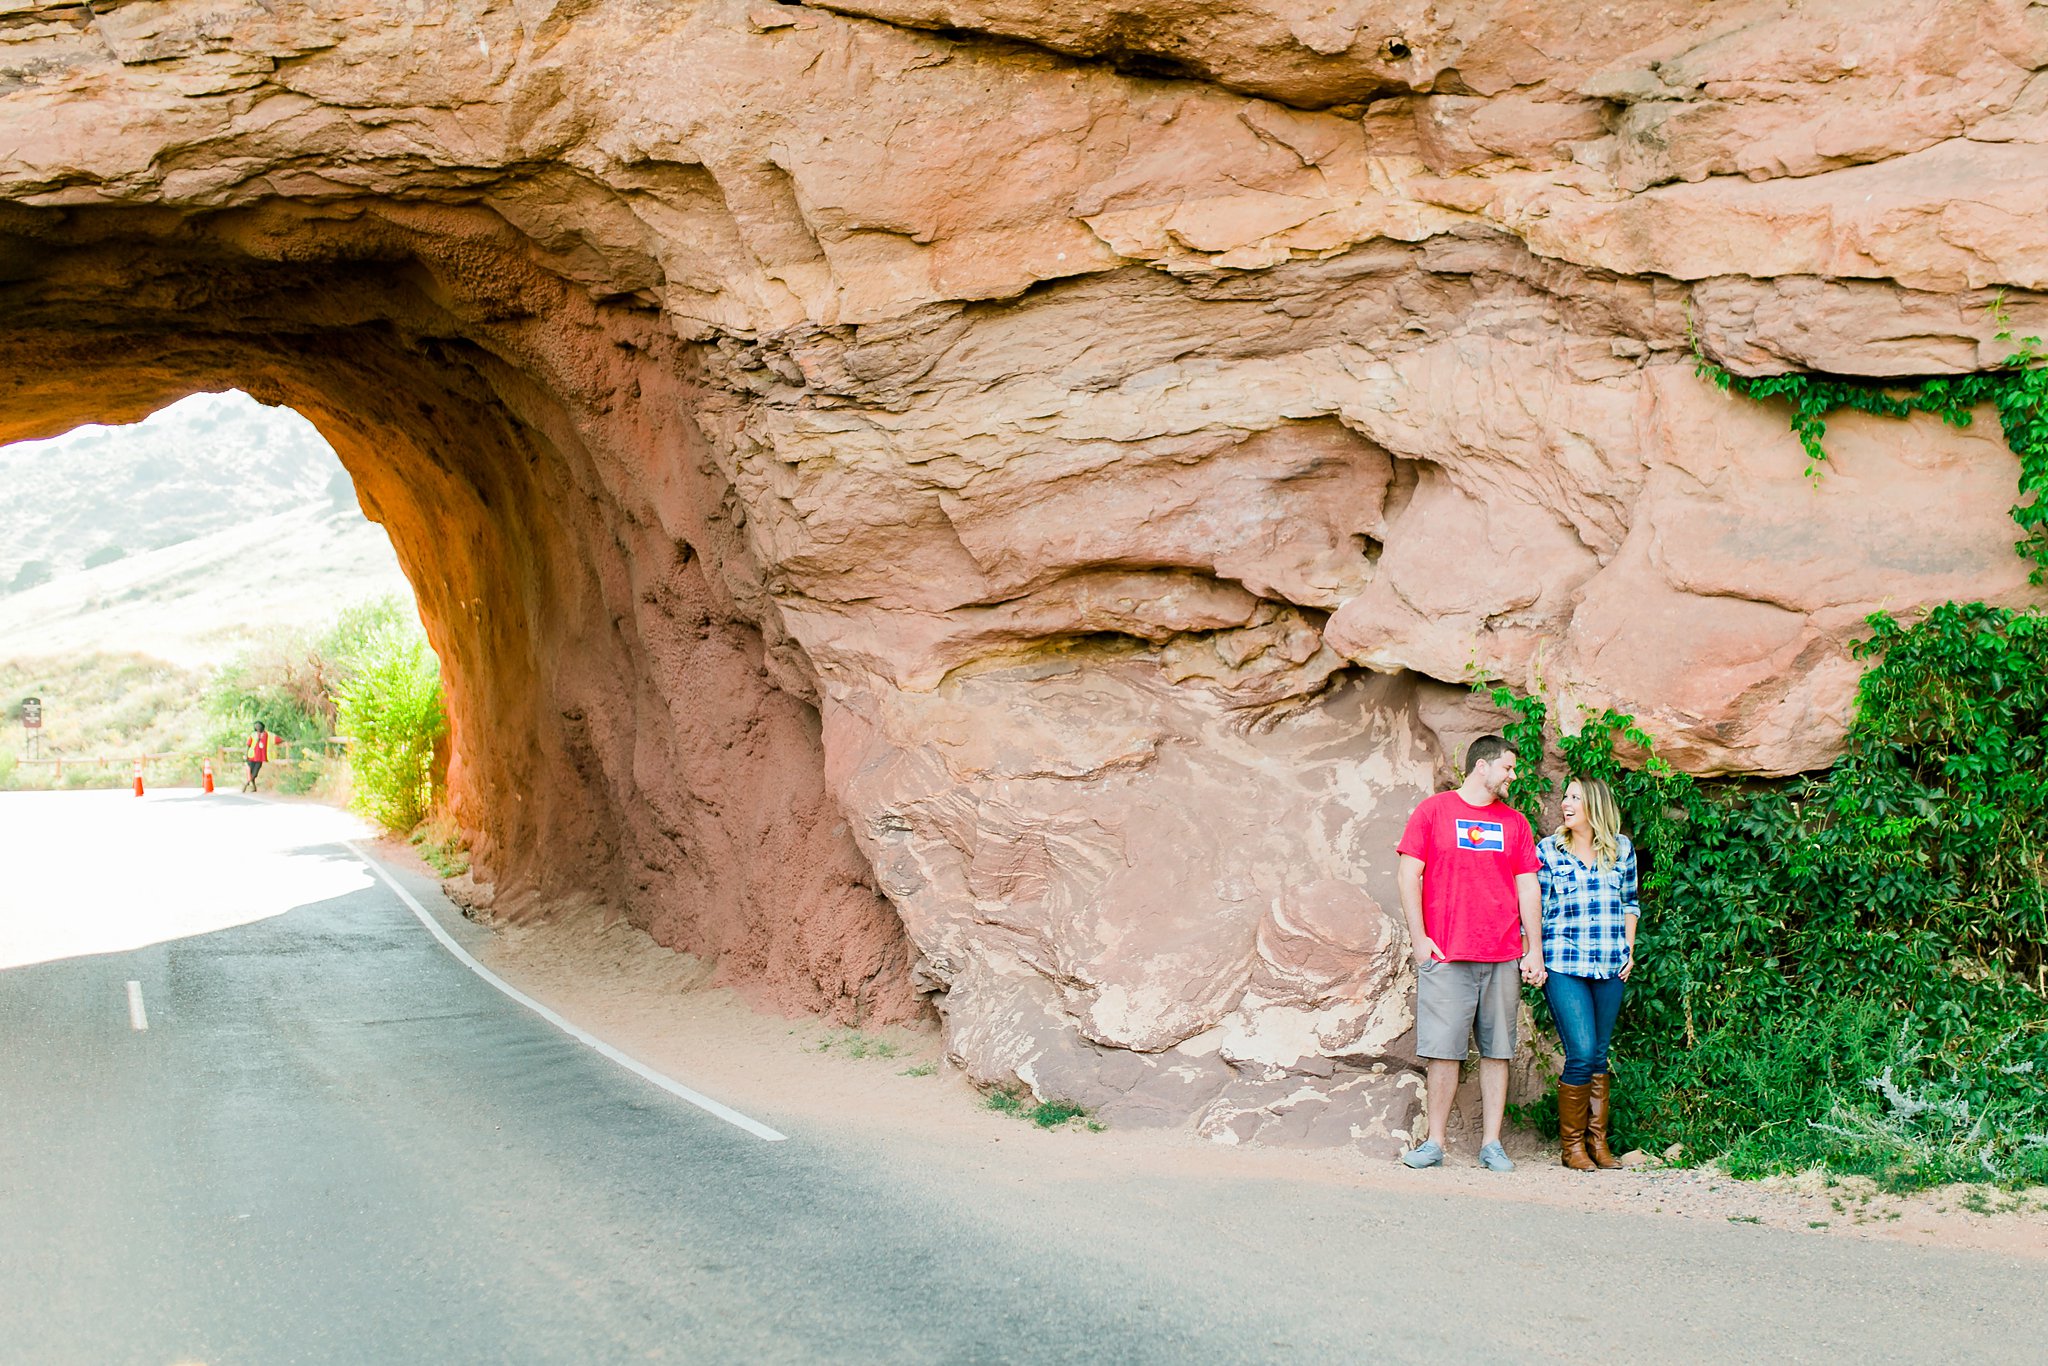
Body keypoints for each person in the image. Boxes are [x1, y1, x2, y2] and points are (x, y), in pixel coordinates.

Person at [1396, 735, 1546, 1172]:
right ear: (1482, 767)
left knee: (1498, 1050)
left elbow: (1527, 886)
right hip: (1447, 952)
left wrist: (1532, 949)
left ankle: (1492, 1144)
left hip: (1501, 954)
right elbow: (1409, 875)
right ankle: (1435, 1142)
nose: (1512, 776)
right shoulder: (1433, 811)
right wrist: (1419, 938)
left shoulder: (1516, 823)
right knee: (1443, 1051)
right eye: (1508, 768)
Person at [1536, 775, 1639, 1171]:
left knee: (1598, 1053)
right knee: (1580, 1052)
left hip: (1611, 963)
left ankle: (1599, 1143)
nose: (1566, 803)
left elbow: (1630, 902)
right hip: (1564, 962)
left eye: (1575, 797)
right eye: (1565, 796)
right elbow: (1536, 908)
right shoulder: (1548, 851)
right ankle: (1573, 1147)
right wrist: (1532, 954)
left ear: (1594, 805)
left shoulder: (1622, 849)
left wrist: (1629, 949)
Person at [244, 720, 269, 793]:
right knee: (251, 772)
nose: (258, 727)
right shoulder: (253, 734)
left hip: (260, 757)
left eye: (259, 726)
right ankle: (254, 787)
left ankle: (247, 783)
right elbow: (248, 744)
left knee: (255, 773)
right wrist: (246, 754)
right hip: (251, 756)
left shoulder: (265, 734)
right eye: (256, 726)